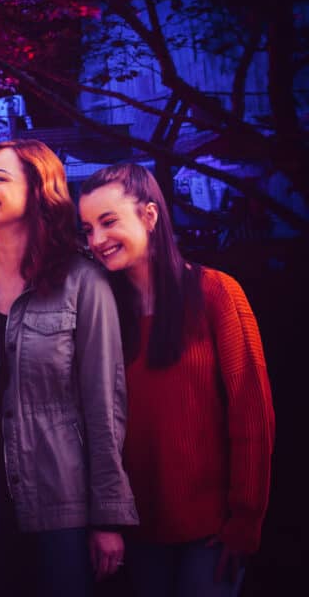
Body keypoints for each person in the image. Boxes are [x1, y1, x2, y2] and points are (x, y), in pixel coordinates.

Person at [0, 139, 137, 597]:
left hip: (61, 507)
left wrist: (108, 516)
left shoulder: (84, 283)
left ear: (39, 189)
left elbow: (105, 403)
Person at [78, 163, 274, 597]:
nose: (96, 241)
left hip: (212, 531)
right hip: (138, 532)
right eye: (88, 228)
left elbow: (252, 414)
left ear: (149, 216)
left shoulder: (216, 293)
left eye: (108, 222)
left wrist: (246, 519)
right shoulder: (103, 310)